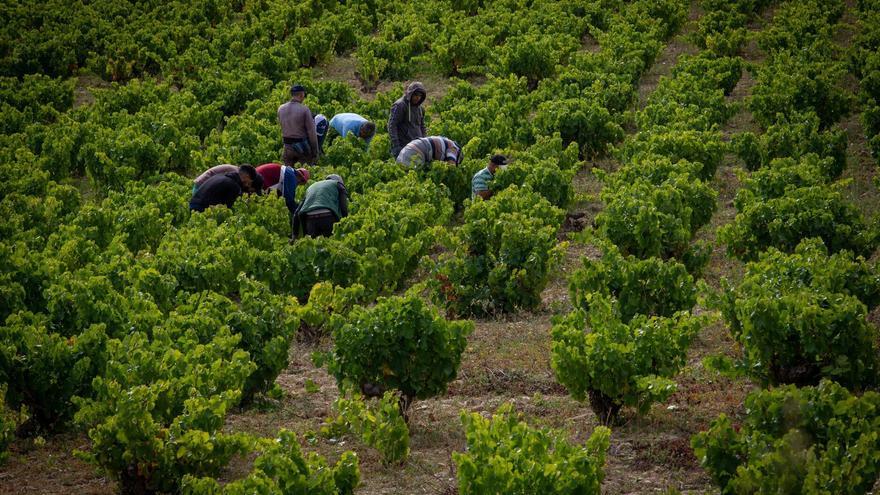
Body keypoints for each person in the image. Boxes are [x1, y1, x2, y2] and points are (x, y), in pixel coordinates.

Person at [291, 174, 348, 239]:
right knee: (330, 242)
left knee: (313, 244)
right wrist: (344, 224)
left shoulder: (311, 187)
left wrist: (294, 235)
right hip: (328, 217)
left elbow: (297, 212)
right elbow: (343, 207)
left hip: (310, 220)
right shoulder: (338, 184)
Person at [278, 84, 319, 166]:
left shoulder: (281, 108)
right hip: (301, 147)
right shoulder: (304, 109)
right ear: (301, 95)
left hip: (287, 147)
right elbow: (311, 132)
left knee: (288, 171)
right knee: (304, 171)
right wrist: (315, 151)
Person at [189, 165, 261, 212]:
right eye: (249, 182)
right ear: (247, 176)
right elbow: (228, 208)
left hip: (193, 204)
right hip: (200, 208)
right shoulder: (234, 185)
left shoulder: (222, 176)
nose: (248, 185)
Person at [388, 81, 427, 158]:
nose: (418, 98)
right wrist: (396, 145)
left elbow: (422, 126)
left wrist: (424, 141)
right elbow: (392, 125)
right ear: (410, 93)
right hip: (403, 145)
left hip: (417, 146)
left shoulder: (420, 109)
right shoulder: (400, 105)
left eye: (420, 96)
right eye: (415, 95)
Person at [396, 136, 463, 168]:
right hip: (415, 153)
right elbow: (451, 166)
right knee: (414, 181)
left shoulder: (446, 142)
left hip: (406, 150)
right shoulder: (454, 148)